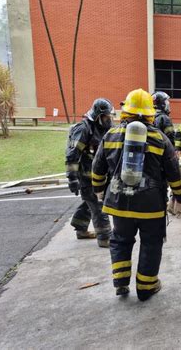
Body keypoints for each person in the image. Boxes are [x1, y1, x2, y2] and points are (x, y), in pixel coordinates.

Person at [92, 88, 181, 300]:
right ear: (150, 112)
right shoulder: (159, 138)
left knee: (120, 240)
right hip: (150, 205)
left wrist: (99, 191)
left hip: (119, 202)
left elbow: (97, 168)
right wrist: (179, 198)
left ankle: (121, 282)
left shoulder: (111, 135)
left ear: (126, 111)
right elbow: (174, 171)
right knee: (151, 243)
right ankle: (146, 287)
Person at [65, 98, 113, 248]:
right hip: (87, 178)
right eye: (106, 116)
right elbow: (72, 155)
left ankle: (80, 228)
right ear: (98, 116)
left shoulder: (104, 128)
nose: (109, 119)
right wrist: (72, 179)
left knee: (89, 203)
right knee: (98, 206)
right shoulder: (83, 129)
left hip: (99, 177)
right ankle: (105, 238)